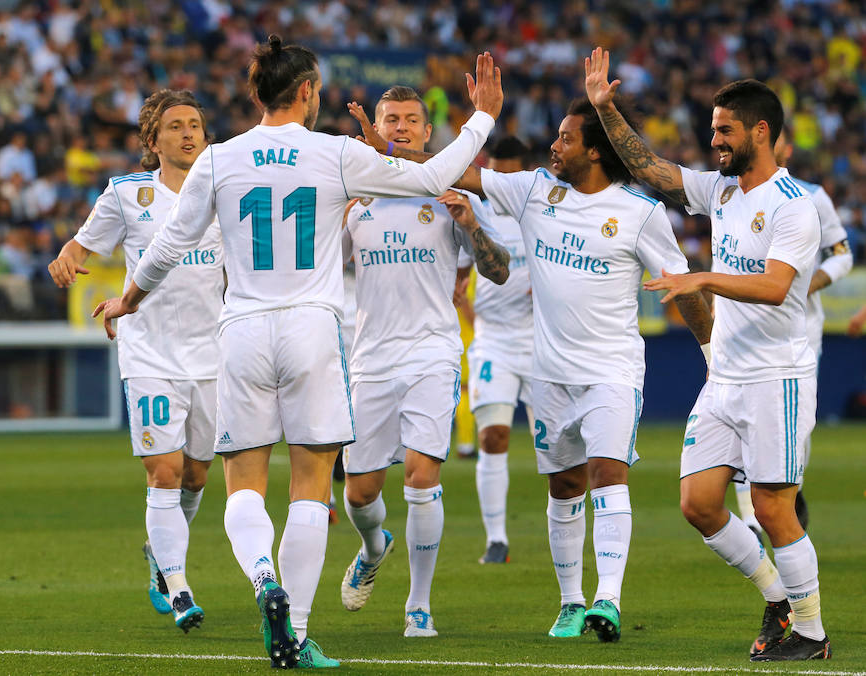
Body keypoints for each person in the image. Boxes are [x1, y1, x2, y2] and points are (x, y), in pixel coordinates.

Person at [93, 36, 503, 669]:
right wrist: (483, 116)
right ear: (308, 91)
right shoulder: (335, 154)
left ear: (256, 93)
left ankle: (264, 580)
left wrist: (129, 299)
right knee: (311, 486)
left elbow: (171, 244)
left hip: (243, 329)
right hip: (313, 329)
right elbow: (428, 176)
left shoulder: (220, 158)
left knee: (243, 484)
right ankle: (299, 632)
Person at [349, 95, 713, 643]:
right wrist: (389, 149)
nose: (553, 146)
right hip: (549, 373)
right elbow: (463, 173)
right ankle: (570, 602)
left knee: (607, 475)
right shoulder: (536, 190)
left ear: (595, 151)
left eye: (565, 139)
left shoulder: (641, 213)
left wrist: (713, 355)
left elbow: (683, 284)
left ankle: (607, 599)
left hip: (612, 370)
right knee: (564, 486)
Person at [585, 47, 831, 661]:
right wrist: (606, 110)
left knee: (774, 509)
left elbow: (777, 287)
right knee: (698, 504)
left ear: (760, 131)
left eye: (725, 129)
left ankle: (812, 633)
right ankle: (777, 598)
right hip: (725, 375)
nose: (713, 139)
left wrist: (703, 279)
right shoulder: (721, 191)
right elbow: (654, 170)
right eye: (713, 128)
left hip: (777, 377)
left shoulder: (794, 204)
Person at [338, 85, 510, 638]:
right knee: (360, 493)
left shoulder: (450, 194)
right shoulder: (353, 199)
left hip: (432, 353)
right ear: (377, 128)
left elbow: (500, 270)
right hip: (370, 359)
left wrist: (471, 226)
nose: (402, 128)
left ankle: (419, 605)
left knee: (420, 477)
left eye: (413, 120)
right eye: (392, 119)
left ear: (429, 133)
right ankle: (373, 546)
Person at [48, 89, 222, 634]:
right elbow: (81, 246)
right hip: (147, 350)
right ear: (153, 140)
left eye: (195, 124)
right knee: (164, 472)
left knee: (196, 474)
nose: (189, 133)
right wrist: (66, 259)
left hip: (213, 353)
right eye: (175, 126)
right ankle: (178, 586)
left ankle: (158, 554)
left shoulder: (223, 189)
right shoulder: (128, 193)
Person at [733, 127, 853, 536]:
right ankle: (750, 517)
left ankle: (787, 495)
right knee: (735, 415)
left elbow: (842, 253)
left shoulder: (811, 196)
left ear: (780, 145)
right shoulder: (731, 190)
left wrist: (809, 284)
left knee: (795, 426)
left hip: (799, 329)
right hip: (742, 327)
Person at [455, 135, 534, 565]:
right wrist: (474, 320)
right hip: (494, 341)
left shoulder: (541, 210)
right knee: (493, 436)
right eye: (496, 172)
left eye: (510, 173)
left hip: (542, 341)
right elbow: (460, 279)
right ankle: (497, 538)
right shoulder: (475, 208)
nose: (501, 181)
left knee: (557, 445)